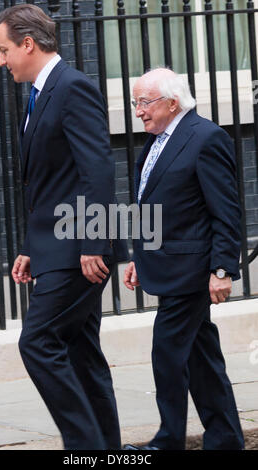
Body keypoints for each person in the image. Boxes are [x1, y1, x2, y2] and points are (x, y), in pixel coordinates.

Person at [0, 4, 128, 450]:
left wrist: (93, 242)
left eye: (4, 50)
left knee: (37, 342)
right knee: (80, 352)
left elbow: (97, 172)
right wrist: (32, 246)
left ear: (28, 44)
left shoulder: (73, 88)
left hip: (79, 252)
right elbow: (50, 182)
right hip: (56, 246)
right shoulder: (38, 94)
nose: (1, 60)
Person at [123, 68, 244, 450]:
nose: (138, 111)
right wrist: (139, 257)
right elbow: (155, 206)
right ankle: (225, 440)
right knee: (201, 357)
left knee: (167, 352)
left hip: (192, 272)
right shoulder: (157, 141)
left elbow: (225, 211)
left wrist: (222, 269)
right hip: (169, 266)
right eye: (134, 102)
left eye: (145, 102)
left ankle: (169, 440)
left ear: (172, 102)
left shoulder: (206, 138)